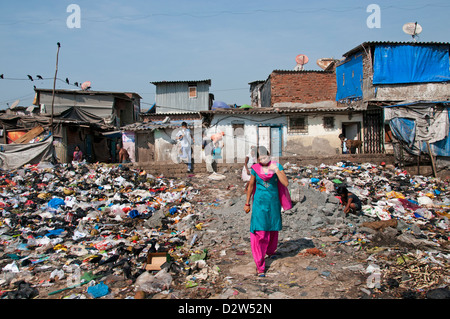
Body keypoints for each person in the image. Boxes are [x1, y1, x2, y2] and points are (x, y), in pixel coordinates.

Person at [244, 146, 291, 277]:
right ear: (257, 159)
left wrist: (276, 170)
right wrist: (247, 203)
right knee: (260, 232)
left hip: (274, 203)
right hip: (259, 204)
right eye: (261, 158)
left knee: (273, 229)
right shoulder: (255, 169)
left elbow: (285, 183)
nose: (264, 160)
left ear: (269, 156)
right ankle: (260, 265)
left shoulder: (277, 166)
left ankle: (270, 251)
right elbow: (251, 185)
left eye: (266, 157)